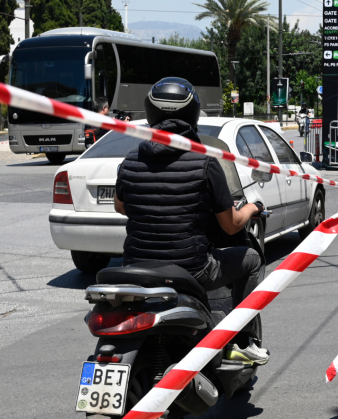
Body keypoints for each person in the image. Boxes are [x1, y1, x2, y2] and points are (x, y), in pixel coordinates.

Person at [113, 78, 269, 365]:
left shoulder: (131, 159)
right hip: (192, 269)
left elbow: (121, 206)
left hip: (134, 267)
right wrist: (252, 208)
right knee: (251, 258)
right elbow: (231, 225)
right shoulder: (205, 162)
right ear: (193, 114)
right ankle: (243, 339)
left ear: (150, 112)